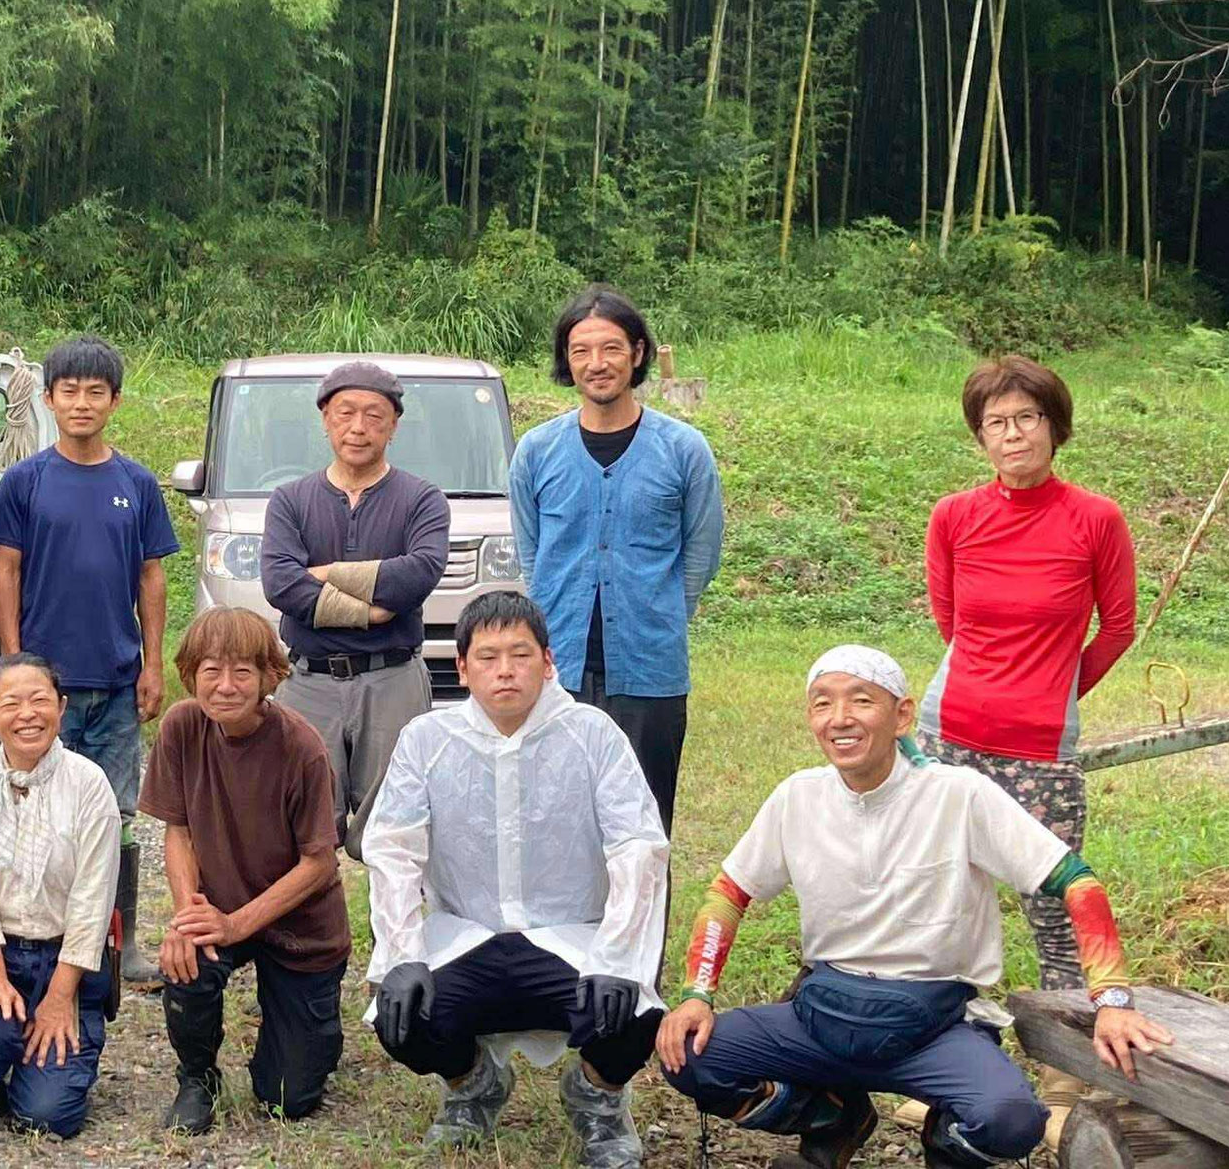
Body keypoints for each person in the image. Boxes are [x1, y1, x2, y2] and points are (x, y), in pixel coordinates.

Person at [657, 645, 1174, 1169]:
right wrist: (697, 994)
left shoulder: (959, 795)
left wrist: (1111, 999)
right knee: (691, 1057)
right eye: (821, 704)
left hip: (934, 1026)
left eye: (861, 701)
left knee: (1011, 1120)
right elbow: (728, 892)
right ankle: (835, 1118)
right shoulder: (798, 797)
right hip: (825, 1015)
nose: (840, 719)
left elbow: (1075, 881)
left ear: (903, 714)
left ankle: (945, 1144)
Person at [366, 593, 669, 1163]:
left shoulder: (592, 733)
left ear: (547, 661)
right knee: (399, 1018)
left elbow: (638, 848)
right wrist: (401, 954)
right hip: (468, 934)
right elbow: (393, 850)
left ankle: (597, 1101)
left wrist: (619, 958)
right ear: (461, 667)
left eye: (520, 654)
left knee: (633, 1014)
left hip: (569, 935)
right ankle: (473, 1087)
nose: (505, 670)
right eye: (487, 657)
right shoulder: (427, 740)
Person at [922, 358, 1136, 998]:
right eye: (997, 423)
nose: (1013, 434)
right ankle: (938, 1048)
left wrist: (1054, 693)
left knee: (1054, 902)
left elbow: (1118, 629)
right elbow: (952, 624)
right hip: (947, 738)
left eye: (1027, 418)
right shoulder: (954, 516)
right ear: (980, 437)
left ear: (1054, 427)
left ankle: (1068, 1071)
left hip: (1040, 749)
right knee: (941, 897)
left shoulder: (1096, 519)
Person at [0, 335, 178, 988]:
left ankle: (115, 943)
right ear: (48, 398)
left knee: (117, 816)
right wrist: (15, 663)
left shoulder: (136, 483)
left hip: (118, 682)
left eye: (95, 391)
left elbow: (151, 578)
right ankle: (28, 939)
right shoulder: (25, 481)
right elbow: (4, 571)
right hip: (47, 688)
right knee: (36, 809)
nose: (81, 402)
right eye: (68, 390)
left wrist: (153, 663)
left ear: (115, 401)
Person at [509, 284, 723, 833]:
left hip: (650, 669)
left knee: (644, 824)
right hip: (558, 668)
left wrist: (665, 611)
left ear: (638, 353)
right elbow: (531, 552)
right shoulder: (537, 451)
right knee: (556, 824)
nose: (596, 364)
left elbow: (701, 550)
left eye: (610, 348)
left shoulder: (683, 449)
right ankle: (568, 924)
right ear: (566, 361)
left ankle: (643, 924)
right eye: (581, 351)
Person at [139, 607, 351, 1135]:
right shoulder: (182, 727)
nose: (226, 687)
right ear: (190, 676)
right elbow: (179, 830)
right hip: (220, 907)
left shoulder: (301, 747)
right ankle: (197, 1078)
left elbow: (319, 862)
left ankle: (310, 1032)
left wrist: (238, 924)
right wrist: (189, 913)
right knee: (184, 956)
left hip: (300, 927)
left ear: (268, 676)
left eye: (242, 672)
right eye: (211, 671)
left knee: (287, 1097)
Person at [260, 360, 450, 860]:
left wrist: (321, 573)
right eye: (346, 413)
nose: (358, 427)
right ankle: (307, 938)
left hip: (392, 681)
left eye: (373, 415)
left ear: (394, 426)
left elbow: (419, 572)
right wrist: (372, 610)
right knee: (300, 827)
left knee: (400, 828)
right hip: (309, 683)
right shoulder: (291, 500)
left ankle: (394, 938)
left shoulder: (421, 499)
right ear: (325, 418)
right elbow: (281, 584)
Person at [0, 655, 121, 1139]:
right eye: (11, 703)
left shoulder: (89, 783)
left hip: (66, 962)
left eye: (40, 700)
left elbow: (93, 900)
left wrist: (61, 998)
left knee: (48, 1117)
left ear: (61, 708)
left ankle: (45, 1060)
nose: (28, 714)